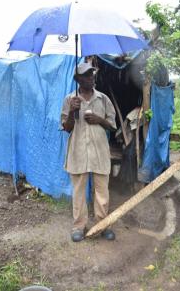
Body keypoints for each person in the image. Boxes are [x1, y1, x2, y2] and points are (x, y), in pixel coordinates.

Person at [60, 62, 117, 242]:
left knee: (102, 191)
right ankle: (78, 226)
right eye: (86, 75)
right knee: (78, 191)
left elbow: (113, 126)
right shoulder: (70, 99)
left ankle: (102, 225)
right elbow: (67, 128)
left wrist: (100, 119)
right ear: (77, 79)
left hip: (99, 151)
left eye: (92, 74)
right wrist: (71, 111)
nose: (91, 77)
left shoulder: (103, 99)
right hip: (78, 151)